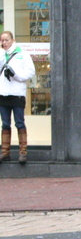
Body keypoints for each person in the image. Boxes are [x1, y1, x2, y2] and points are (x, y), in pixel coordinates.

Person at [0, 31, 35, 164]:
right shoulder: (1, 54)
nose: (4, 43)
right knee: (5, 124)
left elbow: (30, 72)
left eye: (6, 40)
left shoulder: (22, 54)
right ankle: (5, 152)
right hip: (3, 94)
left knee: (19, 122)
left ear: (12, 40)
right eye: (2, 40)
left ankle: (23, 153)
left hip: (17, 94)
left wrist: (15, 75)